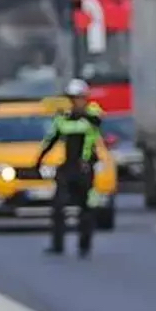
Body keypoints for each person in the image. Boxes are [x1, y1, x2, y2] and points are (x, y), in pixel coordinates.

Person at [34, 79, 103, 257]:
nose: (76, 102)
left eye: (79, 98)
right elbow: (51, 140)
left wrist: (80, 114)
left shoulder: (92, 114)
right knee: (58, 206)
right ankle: (57, 245)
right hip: (68, 167)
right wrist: (39, 160)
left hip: (85, 168)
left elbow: (96, 121)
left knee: (86, 208)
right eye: (73, 98)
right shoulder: (62, 119)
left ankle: (84, 245)